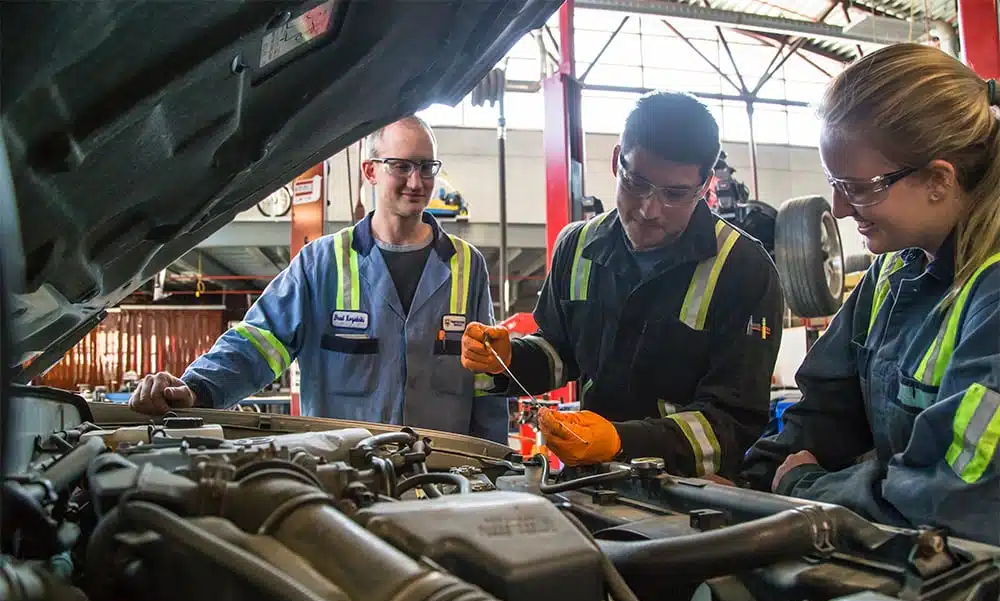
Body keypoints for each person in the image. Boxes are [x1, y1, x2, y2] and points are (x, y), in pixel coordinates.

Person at [742, 44, 1000, 546]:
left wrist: (804, 489)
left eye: (858, 188)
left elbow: (954, 496)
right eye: (836, 184)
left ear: (938, 180)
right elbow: (826, 411)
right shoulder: (892, 272)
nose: (838, 209)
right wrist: (745, 489)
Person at [461, 92, 784, 478]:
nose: (650, 209)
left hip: (693, 499)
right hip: (589, 479)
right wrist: (508, 358)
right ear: (617, 161)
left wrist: (622, 441)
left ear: (704, 186)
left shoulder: (743, 269)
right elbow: (561, 352)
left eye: (675, 194)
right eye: (637, 183)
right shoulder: (577, 246)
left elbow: (733, 423)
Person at [129, 116, 508, 444]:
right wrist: (197, 389)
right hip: (348, 478)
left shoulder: (466, 266)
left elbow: (486, 380)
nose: (416, 181)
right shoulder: (321, 263)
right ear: (370, 170)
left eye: (427, 167)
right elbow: (259, 342)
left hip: (444, 479)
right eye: (401, 166)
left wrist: (495, 467)